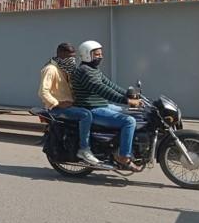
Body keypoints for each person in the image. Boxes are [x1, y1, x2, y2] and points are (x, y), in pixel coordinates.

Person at [71, 40, 142, 171]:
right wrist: (126, 100)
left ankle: (121, 146)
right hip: (91, 108)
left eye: (101, 54)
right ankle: (123, 157)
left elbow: (109, 84)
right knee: (129, 121)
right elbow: (102, 89)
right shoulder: (85, 71)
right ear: (87, 55)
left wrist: (129, 94)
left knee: (133, 113)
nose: (101, 56)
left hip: (101, 105)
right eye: (97, 54)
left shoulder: (93, 69)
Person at [38, 43, 99, 165]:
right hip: (57, 109)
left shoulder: (65, 69)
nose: (72, 60)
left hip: (70, 105)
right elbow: (43, 92)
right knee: (85, 115)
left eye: (74, 57)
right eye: (69, 56)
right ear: (60, 55)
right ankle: (84, 149)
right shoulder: (51, 69)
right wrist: (57, 103)